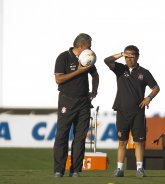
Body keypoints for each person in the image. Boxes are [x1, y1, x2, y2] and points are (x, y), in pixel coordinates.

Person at [104, 45, 160, 177]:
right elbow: (107, 60)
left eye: (131, 56)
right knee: (122, 141)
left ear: (137, 57)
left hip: (138, 112)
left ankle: (140, 169)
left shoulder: (144, 72)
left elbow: (156, 88)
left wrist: (149, 98)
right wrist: (121, 54)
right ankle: (119, 169)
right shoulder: (120, 69)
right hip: (122, 111)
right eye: (127, 56)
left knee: (139, 142)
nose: (129, 59)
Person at [53, 33, 99, 177]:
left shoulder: (88, 58)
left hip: (84, 102)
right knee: (62, 135)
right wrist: (78, 71)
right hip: (67, 100)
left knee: (80, 137)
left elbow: (95, 75)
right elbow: (58, 79)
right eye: (89, 46)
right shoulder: (63, 57)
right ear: (81, 46)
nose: (91, 48)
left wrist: (94, 91)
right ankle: (59, 170)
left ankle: (75, 170)